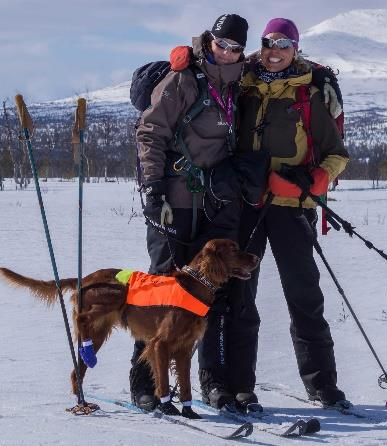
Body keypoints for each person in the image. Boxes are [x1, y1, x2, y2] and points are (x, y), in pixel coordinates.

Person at [229, 18, 351, 408]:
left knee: (304, 298)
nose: (275, 49)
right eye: (269, 42)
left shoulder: (309, 94)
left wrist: (316, 180)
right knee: (240, 298)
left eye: (283, 43)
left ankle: (323, 387)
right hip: (248, 208)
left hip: (293, 210)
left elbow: (337, 155)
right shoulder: (239, 87)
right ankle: (239, 386)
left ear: (295, 48)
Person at [132, 13, 249, 413]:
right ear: (209, 41)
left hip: (215, 203)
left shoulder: (239, 82)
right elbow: (150, 133)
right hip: (174, 200)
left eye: (235, 48)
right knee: (161, 289)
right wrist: (152, 187)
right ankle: (146, 383)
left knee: (209, 294)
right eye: (222, 44)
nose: (227, 52)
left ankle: (212, 382)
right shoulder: (183, 80)